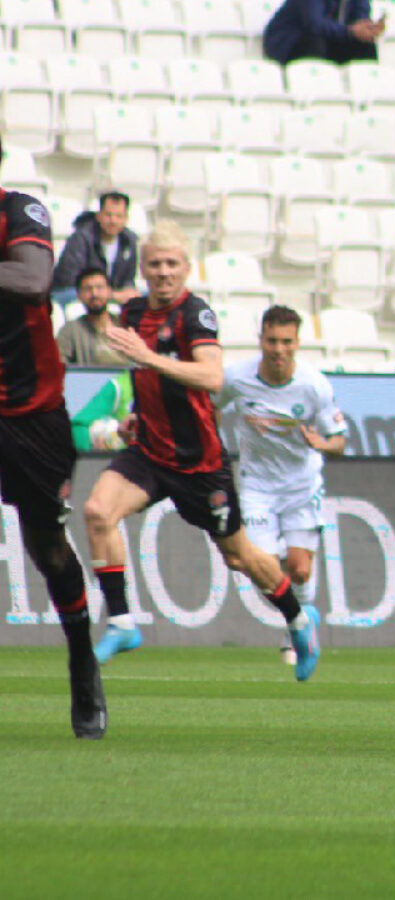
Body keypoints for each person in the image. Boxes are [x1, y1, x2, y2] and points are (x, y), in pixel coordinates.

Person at [81, 222, 322, 681]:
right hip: (149, 450)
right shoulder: (133, 312)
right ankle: (122, 623)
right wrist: (135, 413)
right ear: (143, 267)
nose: (164, 272)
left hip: (199, 463)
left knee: (240, 557)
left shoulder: (196, 315)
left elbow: (212, 377)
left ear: (187, 268)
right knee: (97, 511)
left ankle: (298, 620)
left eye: (172, 263)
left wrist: (148, 357)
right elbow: (142, 375)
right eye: (155, 263)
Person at [0, 148, 106, 738]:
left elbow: (35, 279)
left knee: (49, 551)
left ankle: (82, 661)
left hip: (31, 416)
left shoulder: (21, 211)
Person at [216, 305, 347, 667]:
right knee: (262, 569)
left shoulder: (314, 385)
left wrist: (323, 444)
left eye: (287, 342)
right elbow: (209, 405)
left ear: (297, 343)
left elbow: (340, 440)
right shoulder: (236, 378)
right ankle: (301, 619)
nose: (279, 349)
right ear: (260, 340)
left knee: (300, 569)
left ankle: (295, 632)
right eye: (272, 341)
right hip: (257, 487)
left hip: (302, 487)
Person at [51, 192, 139, 307]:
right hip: (77, 293)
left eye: (119, 216)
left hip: (111, 294)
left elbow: (129, 279)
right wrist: (109, 294)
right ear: (99, 216)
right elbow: (69, 280)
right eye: (108, 215)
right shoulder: (81, 238)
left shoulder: (129, 241)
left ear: (126, 218)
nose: (113, 221)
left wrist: (127, 291)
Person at [263, 0, 386, 66]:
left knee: (365, 44)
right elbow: (314, 23)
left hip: (330, 39)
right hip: (291, 43)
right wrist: (351, 31)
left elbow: (360, 18)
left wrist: (368, 29)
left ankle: (366, 93)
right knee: (315, 41)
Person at [55, 267, 125, 366]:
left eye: (99, 287)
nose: (94, 294)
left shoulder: (125, 324)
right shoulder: (70, 331)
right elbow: (58, 364)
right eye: (87, 289)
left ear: (109, 291)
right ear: (79, 295)